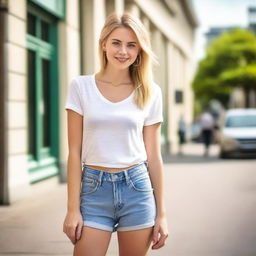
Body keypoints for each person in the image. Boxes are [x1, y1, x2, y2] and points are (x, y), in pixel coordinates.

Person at [63, 12, 169, 256]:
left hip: (137, 189)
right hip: (93, 189)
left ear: (140, 50)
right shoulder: (81, 87)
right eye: (116, 43)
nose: (124, 51)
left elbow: (154, 155)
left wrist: (162, 214)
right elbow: (74, 152)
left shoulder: (151, 92)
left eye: (132, 45)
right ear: (103, 44)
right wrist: (72, 209)